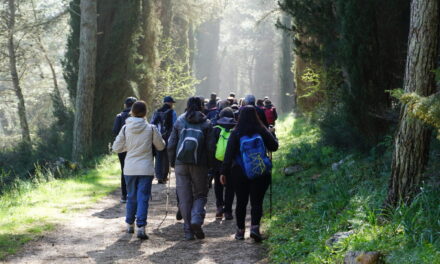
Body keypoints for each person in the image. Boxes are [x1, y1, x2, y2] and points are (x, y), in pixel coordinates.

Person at [220, 106, 278, 242]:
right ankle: (255, 228)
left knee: (241, 201)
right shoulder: (262, 130)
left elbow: (228, 155)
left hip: (239, 171)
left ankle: (240, 231)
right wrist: (272, 133)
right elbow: (274, 147)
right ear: (256, 115)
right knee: (256, 202)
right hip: (260, 170)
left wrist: (223, 172)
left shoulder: (236, 132)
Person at [112, 101, 166, 239]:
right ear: (145, 113)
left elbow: (116, 147)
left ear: (132, 112)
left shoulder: (125, 128)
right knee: (143, 198)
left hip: (129, 168)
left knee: (131, 197)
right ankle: (141, 227)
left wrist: (129, 148)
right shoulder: (151, 128)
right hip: (146, 168)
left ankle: (130, 225)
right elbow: (160, 146)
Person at [168, 97, 213, 240]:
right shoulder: (206, 123)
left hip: (180, 163)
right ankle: (196, 220)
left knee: (184, 198)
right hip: (199, 164)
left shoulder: (180, 120)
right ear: (201, 106)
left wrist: (172, 162)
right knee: (200, 194)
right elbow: (211, 148)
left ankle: (188, 230)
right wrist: (210, 165)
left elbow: (171, 144)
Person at [208, 107, 236, 220]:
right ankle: (228, 211)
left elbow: (210, 147)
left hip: (217, 162)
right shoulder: (235, 130)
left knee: (218, 186)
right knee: (230, 187)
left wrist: (211, 163)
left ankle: (219, 207)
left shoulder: (215, 129)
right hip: (232, 164)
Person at [112, 96, 137, 203]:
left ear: (125, 105)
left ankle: (124, 195)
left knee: (124, 170)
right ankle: (134, 193)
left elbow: (114, 131)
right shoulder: (138, 118)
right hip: (134, 147)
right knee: (135, 170)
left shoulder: (119, 116)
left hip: (122, 148)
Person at [151, 96, 176, 184]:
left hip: (157, 137)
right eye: (172, 103)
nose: (173, 104)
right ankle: (164, 176)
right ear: (169, 103)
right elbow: (175, 125)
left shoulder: (156, 111)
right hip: (168, 137)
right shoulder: (172, 112)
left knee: (158, 157)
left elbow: (151, 124)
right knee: (166, 157)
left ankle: (158, 176)